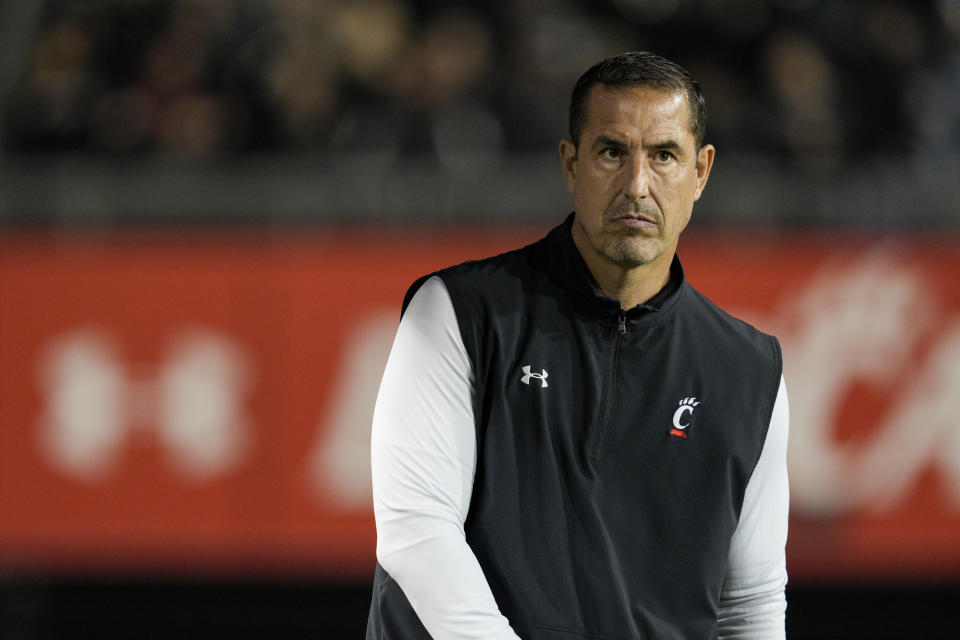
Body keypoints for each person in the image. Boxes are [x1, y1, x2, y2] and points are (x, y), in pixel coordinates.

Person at [366, 51, 789, 640]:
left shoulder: (749, 369)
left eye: (664, 155)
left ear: (701, 173)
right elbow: (417, 532)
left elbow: (750, 606)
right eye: (612, 152)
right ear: (571, 164)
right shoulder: (459, 312)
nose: (637, 185)